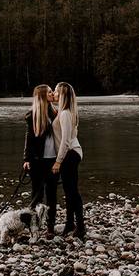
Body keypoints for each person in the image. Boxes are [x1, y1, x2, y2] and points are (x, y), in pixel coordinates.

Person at [22, 84, 58, 237]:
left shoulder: (55, 112)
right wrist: (26, 159)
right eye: (50, 92)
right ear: (43, 96)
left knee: (52, 194)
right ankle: (33, 226)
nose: (52, 94)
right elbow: (29, 139)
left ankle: (50, 227)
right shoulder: (32, 116)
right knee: (37, 194)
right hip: (37, 161)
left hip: (53, 160)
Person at [51, 81, 84, 239]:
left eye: (56, 92)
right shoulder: (65, 112)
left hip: (70, 154)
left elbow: (65, 140)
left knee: (72, 192)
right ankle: (70, 223)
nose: (54, 94)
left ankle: (80, 226)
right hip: (72, 153)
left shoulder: (64, 114)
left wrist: (58, 161)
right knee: (69, 191)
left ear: (62, 95)